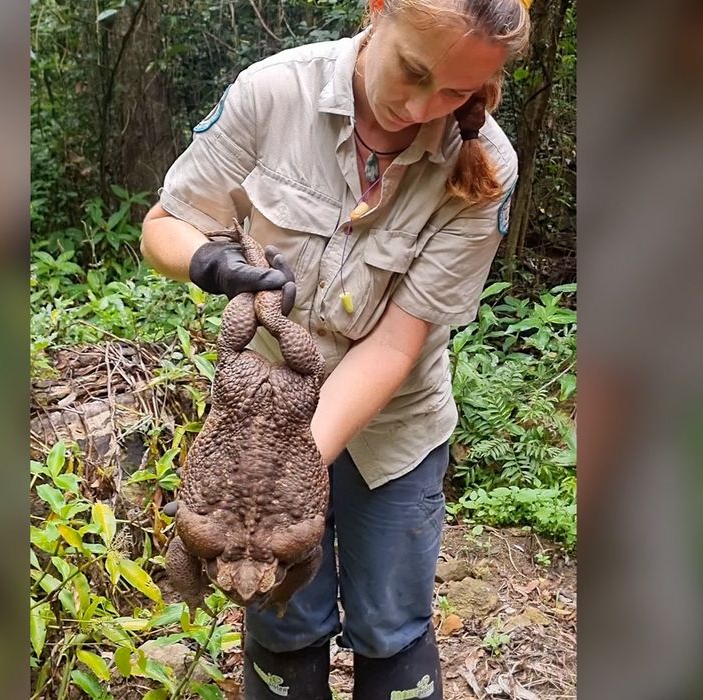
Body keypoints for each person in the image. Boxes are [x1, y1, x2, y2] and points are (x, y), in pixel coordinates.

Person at [140, 1, 529, 697]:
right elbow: (164, 226)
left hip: (391, 426)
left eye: (454, 92)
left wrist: (276, 475)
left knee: (389, 619)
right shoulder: (275, 92)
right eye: (412, 70)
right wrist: (210, 264)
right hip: (259, 410)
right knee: (282, 617)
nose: (419, 106)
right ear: (376, 10)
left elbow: (393, 344)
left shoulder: (485, 165)